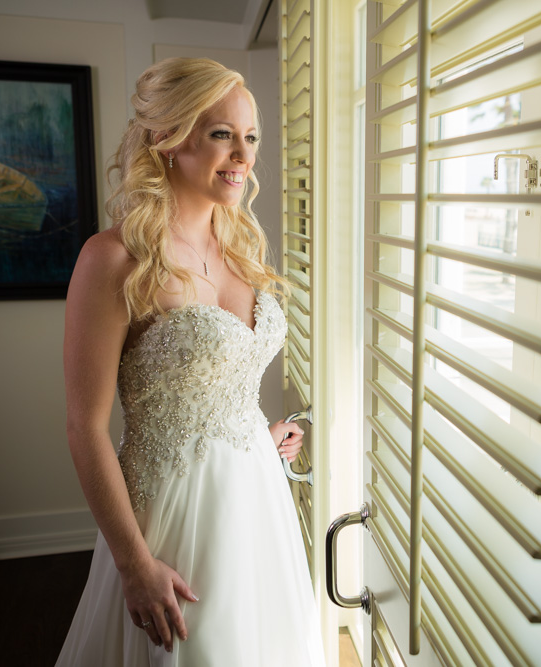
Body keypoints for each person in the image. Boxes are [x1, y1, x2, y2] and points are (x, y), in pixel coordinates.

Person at [56, 58, 326, 666]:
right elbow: (85, 426)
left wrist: (262, 434)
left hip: (257, 504)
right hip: (171, 518)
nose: (243, 155)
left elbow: (221, 388)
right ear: (168, 138)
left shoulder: (241, 248)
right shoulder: (114, 259)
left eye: (250, 136)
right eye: (222, 134)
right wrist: (133, 564)